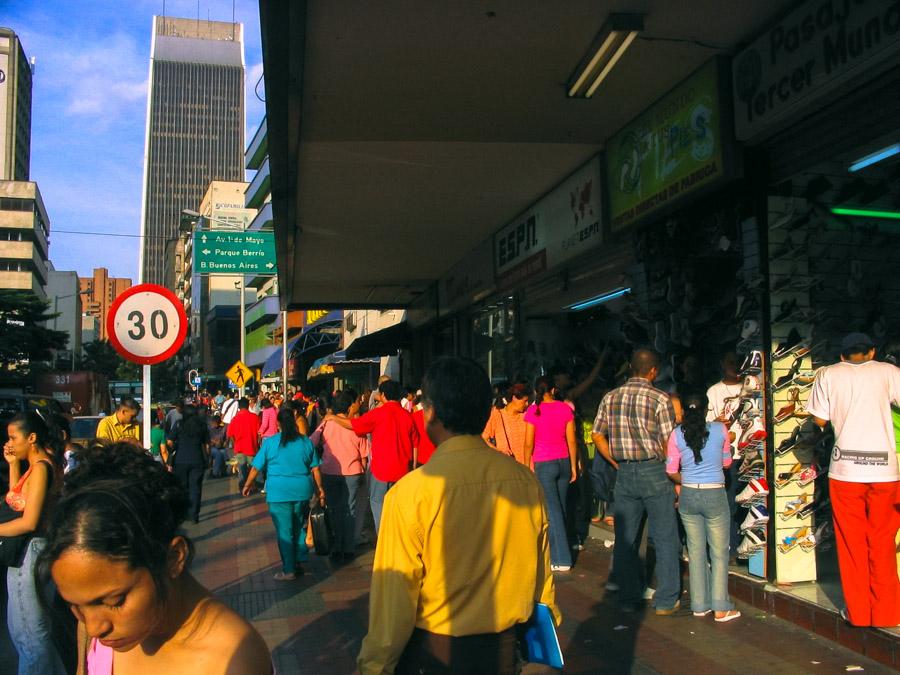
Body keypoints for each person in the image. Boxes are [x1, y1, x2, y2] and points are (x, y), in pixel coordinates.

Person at [358, 356, 559, 674]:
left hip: (437, 654)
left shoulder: (409, 494)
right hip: (507, 650)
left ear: (432, 413)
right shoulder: (525, 483)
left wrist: (373, 667)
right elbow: (542, 580)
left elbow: (393, 603)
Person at [37, 441, 271, 673]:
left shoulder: (232, 663)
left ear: (173, 558)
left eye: (115, 602)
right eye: (75, 607)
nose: (94, 626)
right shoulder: (100, 615)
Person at [807, 332, 900, 627]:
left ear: (842, 355)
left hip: (845, 469)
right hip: (885, 470)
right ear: (872, 352)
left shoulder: (828, 374)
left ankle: (859, 613)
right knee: (883, 541)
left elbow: (819, 419)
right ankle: (887, 612)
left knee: (852, 543)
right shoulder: (889, 371)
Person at [591, 348, 680, 615]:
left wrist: (616, 461)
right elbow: (668, 442)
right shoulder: (660, 399)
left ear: (631, 367)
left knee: (626, 539)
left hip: (625, 474)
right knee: (665, 537)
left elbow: (597, 435)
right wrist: (673, 473)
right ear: (653, 371)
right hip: (654, 471)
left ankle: (628, 596)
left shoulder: (610, 397)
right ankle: (666, 600)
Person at [1, 412, 67, 674]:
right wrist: (13, 463)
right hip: (32, 550)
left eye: (13, 438)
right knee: (27, 631)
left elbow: (28, 522)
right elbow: (16, 501)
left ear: (31, 437)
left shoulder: (40, 467)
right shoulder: (36, 464)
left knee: (29, 632)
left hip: (30, 551)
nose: (9, 443)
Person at [666, 392, 740, 622]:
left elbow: (670, 469)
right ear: (707, 409)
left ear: (686, 413)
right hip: (715, 493)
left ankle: (699, 604)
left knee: (695, 551)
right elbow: (727, 462)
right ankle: (720, 606)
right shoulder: (720, 430)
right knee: (718, 552)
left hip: (688, 494)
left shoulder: (676, 434)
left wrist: (686, 479)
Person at [325, 379, 418, 535]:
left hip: (381, 470)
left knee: (378, 504)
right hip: (402, 471)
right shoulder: (407, 416)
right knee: (399, 508)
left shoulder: (377, 414)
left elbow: (354, 425)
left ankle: (384, 540)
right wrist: (413, 469)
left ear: (382, 395)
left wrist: (334, 418)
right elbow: (415, 445)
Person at [242, 408, 325, 580]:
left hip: (279, 493)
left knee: (284, 532)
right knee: (297, 526)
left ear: (278, 424)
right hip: (302, 491)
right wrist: (320, 489)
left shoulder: (270, 443)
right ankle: (299, 558)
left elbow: (256, 467)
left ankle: (289, 570)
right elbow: (315, 468)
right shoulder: (305, 442)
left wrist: (247, 484)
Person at [524, 375, 578, 572]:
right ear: (553, 390)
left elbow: (529, 442)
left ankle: (561, 557)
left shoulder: (533, 411)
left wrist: (526, 464)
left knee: (552, 510)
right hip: (563, 460)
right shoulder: (565, 408)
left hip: (543, 462)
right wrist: (573, 465)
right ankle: (562, 548)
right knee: (561, 508)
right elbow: (572, 440)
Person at [309, 390, 369, 560]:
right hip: (353, 472)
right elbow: (364, 453)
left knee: (335, 510)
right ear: (349, 406)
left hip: (329, 471)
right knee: (350, 509)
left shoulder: (326, 423)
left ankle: (336, 547)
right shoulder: (355, 425)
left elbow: (311, 442)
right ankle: (349, 548)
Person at [706, 351, 745, 556]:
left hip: (750, 453)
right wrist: (716, 423)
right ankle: (732, 548)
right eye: (731, 361)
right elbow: (706, 424)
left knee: (747, 505)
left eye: (739, 362)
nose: (735, 366)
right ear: (722, 363)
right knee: (729, 504)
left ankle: (746, 548)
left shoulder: (751, 386)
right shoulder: (714, 391)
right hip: (728, 456)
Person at [167, 405, 210, 524]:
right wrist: (208, 458)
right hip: (197, 460)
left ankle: (182, 513)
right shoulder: (202, 425)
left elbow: (169, 441)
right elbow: (207, 445)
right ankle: (194, 515)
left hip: (180, 460)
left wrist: (174, 448)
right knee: (195, 487)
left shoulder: (178, 424)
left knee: (182, 487)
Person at [481, 381, 531, 465]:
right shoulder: (497, 414)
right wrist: (500, 451)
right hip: (507, 465)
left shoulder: (527, 414)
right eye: (525, 401)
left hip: (527, 466)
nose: (527, 404)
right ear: (514, 398)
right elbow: (483, 438)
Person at [226, 398, 260, 490]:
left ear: (239, 407)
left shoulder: (235, 419)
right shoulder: (255, 417)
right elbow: (259, 433)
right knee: (253, 469)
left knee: (242, 471)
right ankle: (252, 486)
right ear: (248, 405)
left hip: (240, 448)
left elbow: (230, 435)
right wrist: (257, 443)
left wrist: (235, 443)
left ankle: (243, 488)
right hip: (252, 448)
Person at [208, 413, 228, 478]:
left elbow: (226, 440)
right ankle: (215, 473)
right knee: (218, 453)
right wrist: (214, 441)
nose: (213, 424)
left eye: (215, 423)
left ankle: (223, 471)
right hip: (212, 447)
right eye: (213, 423)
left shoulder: (223, 429)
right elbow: (207, 440)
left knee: (224, 453)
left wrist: (224, 442)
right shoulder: (209, 430)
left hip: (220, 447)